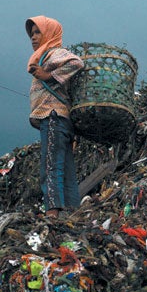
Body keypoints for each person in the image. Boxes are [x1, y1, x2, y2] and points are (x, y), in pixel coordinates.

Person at [25, 15, 84, 219]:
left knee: (50, 165)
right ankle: (71, 211)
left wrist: (48, 76)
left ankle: (52, 212)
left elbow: (77, 63)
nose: (33, 37)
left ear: (49, 33)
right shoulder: (44, 56)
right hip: (62, 120)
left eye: (38, 32)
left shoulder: (53, 53)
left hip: (53, 117)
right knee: (65, 168)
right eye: (31, 33)